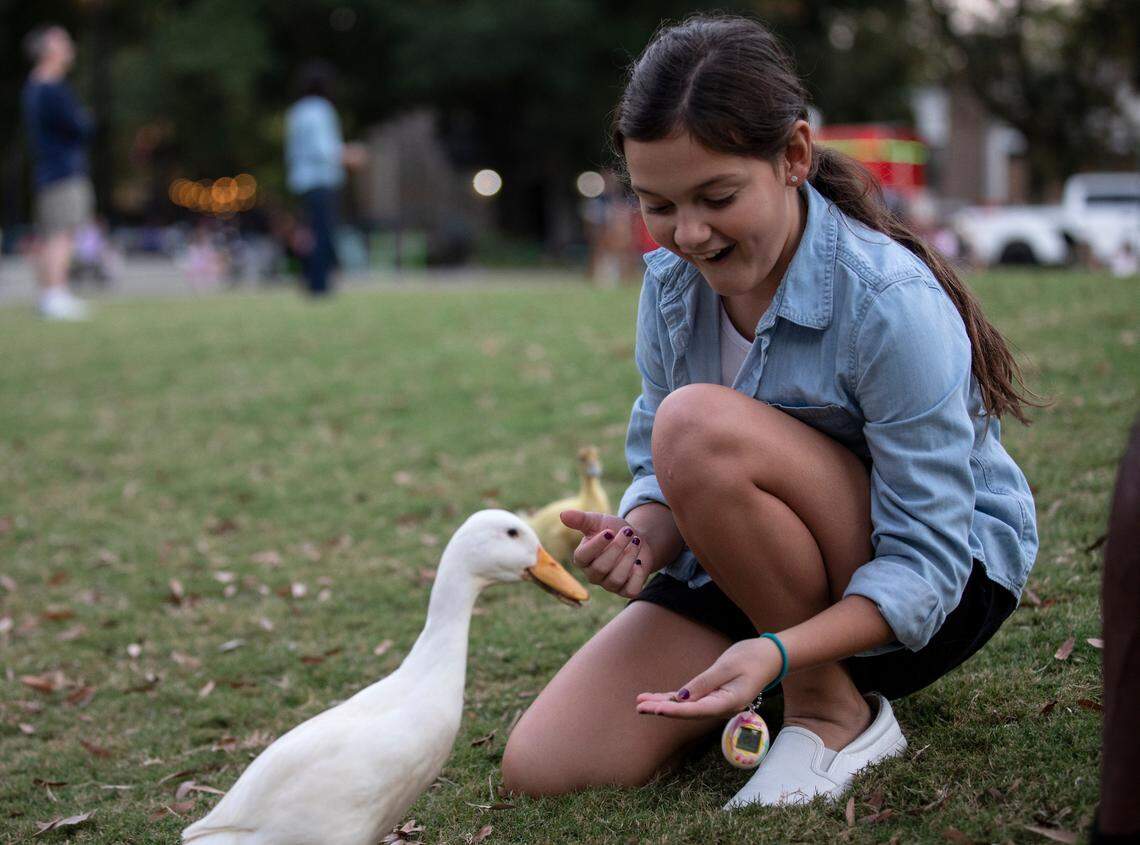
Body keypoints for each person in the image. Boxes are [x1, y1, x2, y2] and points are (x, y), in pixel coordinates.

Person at [501, 15, 1039, 809]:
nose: (687, 234)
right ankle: (788, 678)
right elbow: (661, 466)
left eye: (717, 197)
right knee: (543, 765)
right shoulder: (671, 288)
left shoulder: (889, 304)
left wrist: (780, 651)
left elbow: (929, 566)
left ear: (793, 156)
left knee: (695, 423)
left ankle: (832, 710)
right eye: (657, 205)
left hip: (931, 589)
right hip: (751, 571)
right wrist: (642, 533)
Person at [21, 24, 94, 321]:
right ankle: (55, 294)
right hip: (62, 171)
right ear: (50, 51)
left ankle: (49, 295)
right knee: (61, 234)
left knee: (52, 233)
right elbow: (80, 127)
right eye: (63, 43)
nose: (69, 48)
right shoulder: (51, 88)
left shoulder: (34, 87)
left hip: (48, 171)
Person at [284, 61, 366, 297]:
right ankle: (319, 285)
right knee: (322, 232)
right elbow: (325, 150)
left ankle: (309, 278)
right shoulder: (321, 109)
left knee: (308, 233)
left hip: (301, 181)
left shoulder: (296, 112)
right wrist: (351, 155)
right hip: (320, 180)